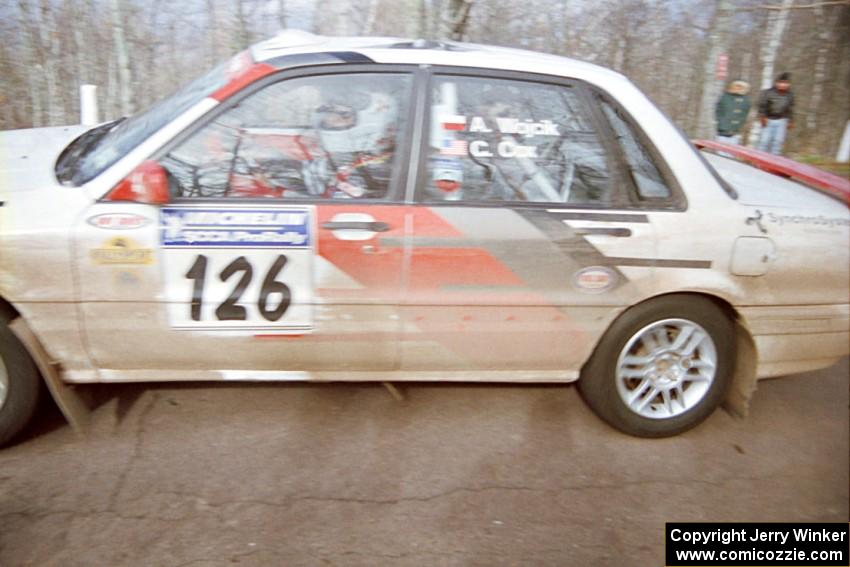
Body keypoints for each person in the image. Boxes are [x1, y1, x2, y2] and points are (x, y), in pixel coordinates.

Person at [757, 72, 794, 155]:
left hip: (782, 120)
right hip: (768, 119)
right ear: (777, 83)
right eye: (781, 83)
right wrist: (762, 116)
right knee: (764, 141)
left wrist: (791, 120)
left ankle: (773, 162)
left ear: (788, 84)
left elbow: (790, 108)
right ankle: (758, 159)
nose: (783, 85)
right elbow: (762, 105)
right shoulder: (768, 93)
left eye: (785, 83)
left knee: (777, 143)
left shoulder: (790, 95)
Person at [715, 79, 751, 145]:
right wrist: (720, 122)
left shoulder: (745, 100)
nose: (738, 88)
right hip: (722, 129)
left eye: (740, 87)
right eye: (737, 86)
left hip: (735, 131)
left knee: (732, 150)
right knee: (720, 148)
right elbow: (718, 110)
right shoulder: (725, 97)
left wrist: (740, 125)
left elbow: (745, 113)